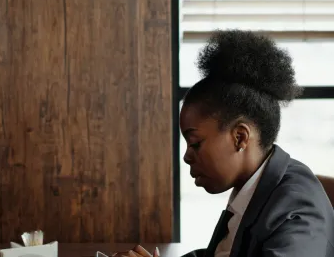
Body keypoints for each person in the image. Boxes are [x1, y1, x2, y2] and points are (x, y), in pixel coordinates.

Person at [117, 30, 334, 257]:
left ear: (240, 137)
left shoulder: (298, 211)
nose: (187, 156)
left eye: (195, 143)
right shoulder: (257, 187)